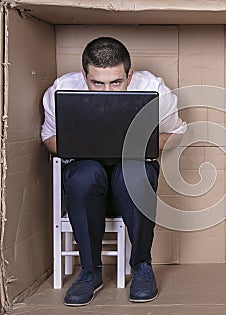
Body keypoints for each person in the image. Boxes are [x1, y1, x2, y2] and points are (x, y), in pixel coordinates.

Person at [41, 37, 186, 306]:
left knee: (133, 175)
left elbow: (176, 133)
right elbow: (49, 138)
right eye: (97, 83)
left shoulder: (153, 88)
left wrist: (143, 142)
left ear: (129, 74)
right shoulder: (61, 89)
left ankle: (142, 264)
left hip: (131, 174)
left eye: (116, 82)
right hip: (86, 178)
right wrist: (82, 145)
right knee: (85, 175)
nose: (107, 90)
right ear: (84, 75)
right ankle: (90, 271)